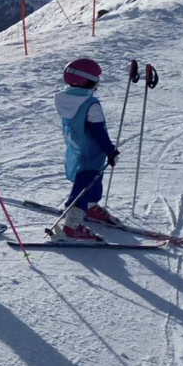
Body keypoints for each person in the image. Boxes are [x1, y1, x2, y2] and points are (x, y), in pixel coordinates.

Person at [51, 58, 120, 241]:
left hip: (78, 145)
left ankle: (89, 207)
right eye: (96, 79)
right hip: (92, 149)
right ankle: (71, 225)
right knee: (85, 182)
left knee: (93, 178)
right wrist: (110, 150)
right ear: (87, 80)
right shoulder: (91, 104)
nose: (98, 83)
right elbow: (98, 132)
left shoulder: (67, 99)